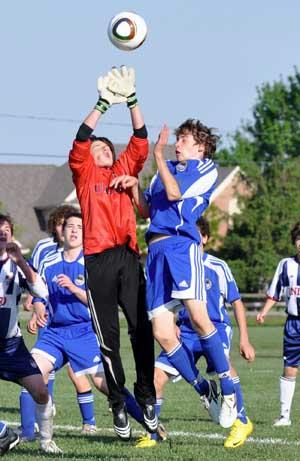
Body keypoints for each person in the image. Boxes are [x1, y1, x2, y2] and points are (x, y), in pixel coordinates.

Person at [118, 120, 237, 431]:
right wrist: (134, 188)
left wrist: (157, 154)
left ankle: (228, 387)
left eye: (184, 138)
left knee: (198, 318)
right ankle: (203, 388)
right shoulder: (165, 168)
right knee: (163, 333)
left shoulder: (204, 168)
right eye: (179, 138)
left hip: (181, 248)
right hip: (155, 252)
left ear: (200, 146)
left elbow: (173, 194)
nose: (177, 143)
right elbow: (147, 211)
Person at [69, 66, 156, 440]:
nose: (104, 150)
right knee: (109, 339)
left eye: (109, 148)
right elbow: (82, 136)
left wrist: (131, 99)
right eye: (99, 149)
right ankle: (118, 404)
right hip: (97, 261)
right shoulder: (86, 173)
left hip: (126, 256)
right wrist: (104, 102)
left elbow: (140, 137)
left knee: (141, 329)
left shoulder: (124, 168)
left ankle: (147, 396)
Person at [32, 211, 151, 441]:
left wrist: (75, 290)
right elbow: (39, 292)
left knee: (107, 385)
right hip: (55, 333)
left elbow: (103, 301)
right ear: (61, 232)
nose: (75, 230)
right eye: (70, 226)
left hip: (84, 331)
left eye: (80, 227)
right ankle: (40, 438)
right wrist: (38, 306)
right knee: (33, 374)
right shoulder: (48, 261)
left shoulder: (93, 263)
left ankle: (151, 428)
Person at [137, 217, 255, 448]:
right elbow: (165, 304)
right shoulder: (174, 263)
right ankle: (153, 433)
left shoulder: (217, 266)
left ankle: (241, 421)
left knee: (226, 367)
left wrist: (245, 339)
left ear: (205, 238)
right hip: (186, 333)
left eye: (197, 234)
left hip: (216, 328)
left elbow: (237, 302)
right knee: (156, 377)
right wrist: (171, 325)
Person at [20, 205, 97, 440]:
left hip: (77, 326)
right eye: (62, 223)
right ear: (55, 225)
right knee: (40, 372)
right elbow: (36, 280)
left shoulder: (83, 254)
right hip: (51, 322)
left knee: (77, 373)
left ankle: (89, 421)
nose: (67, 228)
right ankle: (37, 422)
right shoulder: (44, 248)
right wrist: (35, 308)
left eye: (73, 225)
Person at [0, 213, 61, 454]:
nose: (2, 233)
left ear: (12, 234)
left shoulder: (18, 265)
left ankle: (46, 441)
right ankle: (4, 431)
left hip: (11, 347)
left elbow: (41, 290)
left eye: (6, 229)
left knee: (41, 391)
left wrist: (21, 263)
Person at [257, 222, 300, 427]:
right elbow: (275, 292)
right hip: (293, 324)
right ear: (294, 242)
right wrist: (263, 312)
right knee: (289, 368)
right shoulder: (285, 265)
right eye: (299, 239)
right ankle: (284, 416)